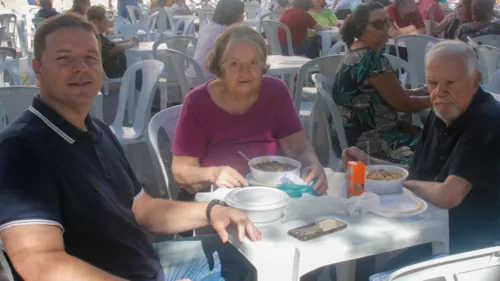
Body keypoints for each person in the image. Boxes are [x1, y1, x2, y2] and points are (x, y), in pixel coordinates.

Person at [0, 14, 261, 281]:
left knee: (243, 259)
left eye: (90, 57)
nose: (80, 67)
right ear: (38, 68)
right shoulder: (22, 148)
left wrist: (212, 210)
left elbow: (143, 210)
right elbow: (39, 262)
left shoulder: (97, 130)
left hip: (146, 262)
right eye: (64, 58)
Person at [343, 40, 500, 255]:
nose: (439, 92)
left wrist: (406, 182)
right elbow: (418, 173)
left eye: (450, 83)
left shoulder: (488, 120)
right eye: (432, 83)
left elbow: (448, 195)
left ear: (476, 81)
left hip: (471, 248)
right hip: (430, 228)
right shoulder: (442, 112)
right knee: (355, 250)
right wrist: (371, 164)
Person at [172, 25, 327, 202]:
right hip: (212, 199)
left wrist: (312, 165)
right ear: (220, 67)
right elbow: (181, 170)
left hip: (270, 195)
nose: (244, 72)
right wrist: (213, 174)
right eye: (234, 63)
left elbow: (298, 147)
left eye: (253, 62)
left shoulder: (275, 92)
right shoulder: (197, 102)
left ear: (262, 66)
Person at [333, 3, 431, 165]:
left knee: (431, 140)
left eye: (388, 22)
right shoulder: (373, 60)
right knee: (437, 150)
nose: (385, 28)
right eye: (378, 24)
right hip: (368, 142)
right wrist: (439, 98)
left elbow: (390, 93)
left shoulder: (354, 52)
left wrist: (422, 91)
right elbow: (404, 104)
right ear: (360, 29)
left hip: (348, 137)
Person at [185, 0, 244, 89]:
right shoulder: (225, 33)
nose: (243, 18)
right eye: (241, 14)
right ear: (234, 15)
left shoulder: (209, 27)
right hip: (207, 83)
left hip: (193, 78)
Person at [86, 5, 138, 79]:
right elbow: (115, 48)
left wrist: (128, 41)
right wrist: (132, 43)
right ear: (96, 22)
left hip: (107, 68)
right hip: (111, 71)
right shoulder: (96, 37)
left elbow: (111, 44)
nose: (107, 21)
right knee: (138, 69)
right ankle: (140, 89)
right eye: (104, 18)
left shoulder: (93, 35)